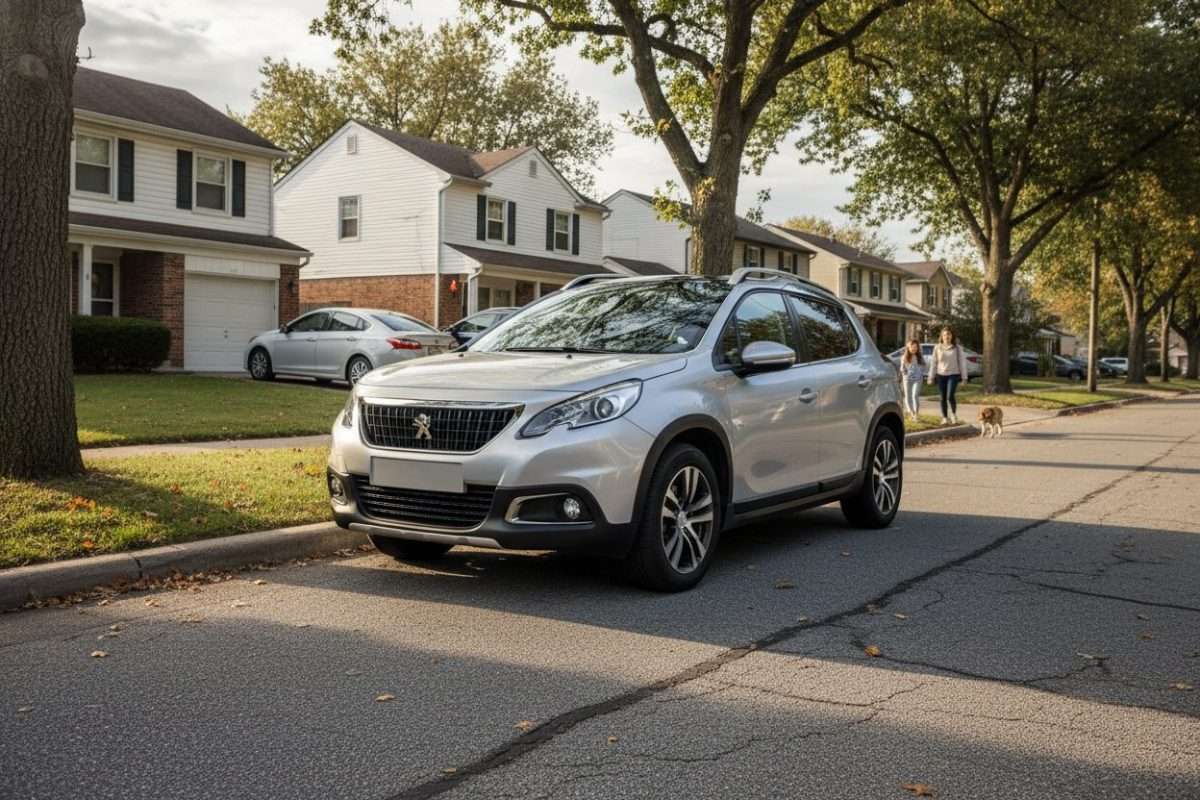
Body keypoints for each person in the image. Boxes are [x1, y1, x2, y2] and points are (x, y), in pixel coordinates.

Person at [927, 328, 969, 424]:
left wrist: (964, 378)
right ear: (942, 336)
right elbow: (933, 363)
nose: (947, 336)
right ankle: (945, 417)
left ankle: (953, 415)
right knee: (942, 397)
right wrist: (931, 377)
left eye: (949, 334)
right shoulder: (937, 347)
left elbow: (962, 363)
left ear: (952, 336)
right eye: (945, 334)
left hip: (953, 374)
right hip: (941, 375)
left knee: (950, 396)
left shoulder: (957, 348)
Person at [899, 340, 925, 421]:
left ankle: (916, 414)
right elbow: (902, 368)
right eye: (912, 347)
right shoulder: (904, 357)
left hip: (918, 379)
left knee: (915, 395)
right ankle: (912, 413)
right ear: (908, 348)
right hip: (907, 379)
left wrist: (920, 373)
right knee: (908, 397)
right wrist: (905, 374)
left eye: (915, 347)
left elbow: (924, 366)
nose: (914, 349)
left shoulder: (920, 357)